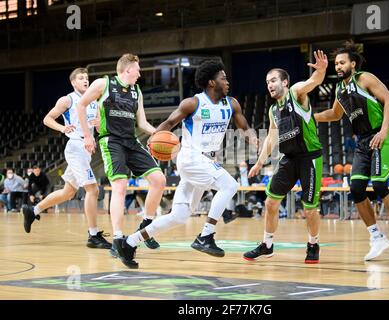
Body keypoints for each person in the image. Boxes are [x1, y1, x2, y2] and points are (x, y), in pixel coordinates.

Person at [114, 59, 258, 268]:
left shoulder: (231, 103)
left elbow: (244, 126)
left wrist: (255, 140)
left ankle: (129, 242)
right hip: (191, 158)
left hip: (206, 161)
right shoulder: (193, 103)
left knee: (179, 216)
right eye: (223, 78)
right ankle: (206, 236)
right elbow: (170, 123)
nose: (227, 81)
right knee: (230, 185)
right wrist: (155, 141)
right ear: (211, 82)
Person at [314, 41, 389, 261]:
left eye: (342, 63)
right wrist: (311, 117)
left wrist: (385, 131)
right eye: (336, 64)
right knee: (356, 189)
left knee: (379, 184)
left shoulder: (365, 78)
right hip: (363, 142)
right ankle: (377, 237)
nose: (338, 67)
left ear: (353, 63)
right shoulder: (340, 89)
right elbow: (335, 114)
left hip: (382, 135)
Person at [76, 53, 165, 263]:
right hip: (111, 141)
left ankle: (146, 224)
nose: (140, 73)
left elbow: (142, 123)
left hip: (131, 141)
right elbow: (81, 105)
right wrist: (88, 136)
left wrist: (158, 134)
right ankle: (117, 239)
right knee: (120, 186)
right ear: (127, 70)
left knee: (159, 181)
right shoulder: (103, 83)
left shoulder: (136, 91)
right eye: (138, 69)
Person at [243, 50, 327, 264]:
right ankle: (267, 245)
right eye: (267, 82)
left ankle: (313, 244)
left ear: (285, 82)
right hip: (289, 159)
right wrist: (260, 162)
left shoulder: (297, 92)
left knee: (309, 210)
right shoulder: (273, 111)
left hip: (310, 158)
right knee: (271, 202)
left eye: (273, 80)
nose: (270, 85)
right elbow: (271, 137)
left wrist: (322, 70)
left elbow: (313, 81)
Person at [21, 68, 112, 249]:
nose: (86, 80)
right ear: (73, 82)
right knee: (92, 190)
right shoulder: (67, 99)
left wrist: (99, 124)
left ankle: (33, 210)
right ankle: (93, 235)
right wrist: (63, 128)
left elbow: (100, 126)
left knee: (68, 192)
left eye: (87, 78)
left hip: (85, 150)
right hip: (75, 148)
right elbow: (48, 119)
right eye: (81, 78)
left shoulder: (93, 99)